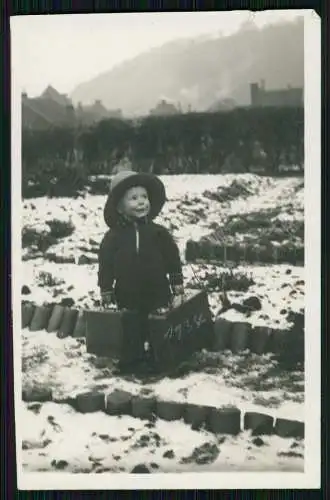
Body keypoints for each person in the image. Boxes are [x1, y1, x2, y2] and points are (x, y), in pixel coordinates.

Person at [98, 169, 184, 372]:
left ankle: (159, 358)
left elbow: (172, 258)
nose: (141, 202)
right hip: (127, 292)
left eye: (144, 197)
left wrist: (176, 282)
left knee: (158, 324)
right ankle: (132, 360)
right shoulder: (113, 238)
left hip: (157, 290)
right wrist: (106, 289)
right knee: (131, 325)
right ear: (119, 207)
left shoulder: (158, 233)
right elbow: (106, 265)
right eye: (133, 198)